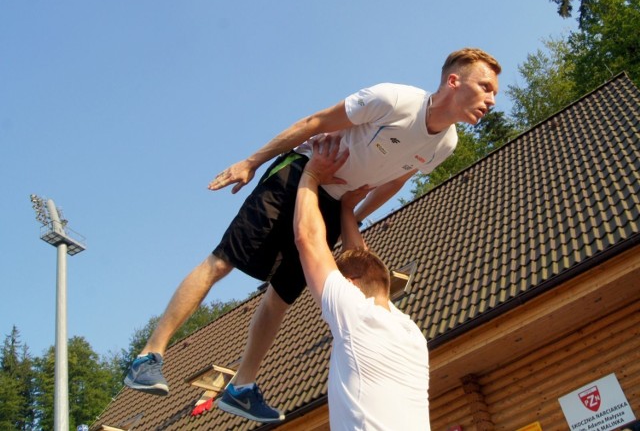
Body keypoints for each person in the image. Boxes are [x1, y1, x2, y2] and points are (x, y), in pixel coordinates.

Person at [124, 48, 500, 423]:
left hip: (333, 204)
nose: (491, 99)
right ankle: (149, 356)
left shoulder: (446, 144)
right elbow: (315, 121)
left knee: (281, 296)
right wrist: (251, 162)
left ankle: (241, 387)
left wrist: (348, 216)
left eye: (494, 93)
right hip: (301, 173)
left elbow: (395, 181)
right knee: (223, 261)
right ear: (454, 81)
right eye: (485, 87)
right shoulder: (395, 100)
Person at [294, 135, 430, 429]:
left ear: (352, 287)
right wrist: (346, 210)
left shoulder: (358, 318)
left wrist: (311, 174)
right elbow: (363, 261)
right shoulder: (408, 331)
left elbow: (307, 239)